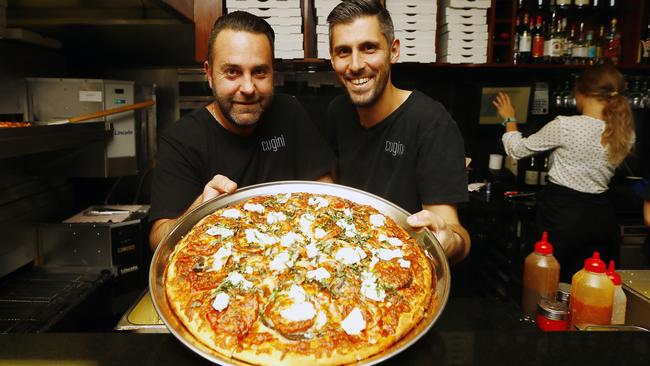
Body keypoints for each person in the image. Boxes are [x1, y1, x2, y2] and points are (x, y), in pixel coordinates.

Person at [149, 11, 335, 250]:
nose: (248, 88)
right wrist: (198, 210)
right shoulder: (181, 140)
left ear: (272, 73)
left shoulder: (289, 111)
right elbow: (157, 240)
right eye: (232, 72)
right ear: (209, 74)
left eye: (259, 72)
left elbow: (325, 185)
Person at [326, 0, 470, 264]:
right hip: (344, 265)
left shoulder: (432, 123)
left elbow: (456, 233)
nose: (356, 65)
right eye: (344, 51)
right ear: (333, 58)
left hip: (402, 268)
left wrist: (448, 240)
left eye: (369, 48)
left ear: (393, 51)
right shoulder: (337, 111)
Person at [493, 64, 635, 281]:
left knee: (544, 280)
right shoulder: (625, 132)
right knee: (587, 284)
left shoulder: (566, 126)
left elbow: (517, 149)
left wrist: (509, 119)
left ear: (582, 93)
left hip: (562, 215)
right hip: (601, 217)